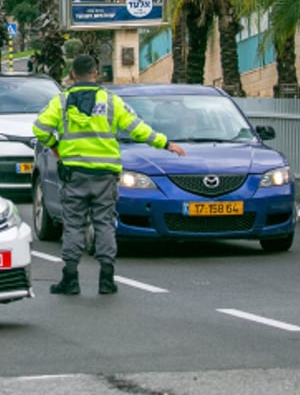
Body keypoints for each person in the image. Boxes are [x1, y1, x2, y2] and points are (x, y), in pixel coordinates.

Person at [32, 54, 185, 296]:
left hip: (74, 174)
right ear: (96, 74)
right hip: (105, 176)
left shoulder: (61, 102)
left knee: (73, 225)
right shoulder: (112, 101)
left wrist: (55, 145)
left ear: (72, 75)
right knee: (104, 223)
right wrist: (165, 144)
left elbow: (39, 128)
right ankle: (106, 279)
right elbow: (137, 129)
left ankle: (70, 279)